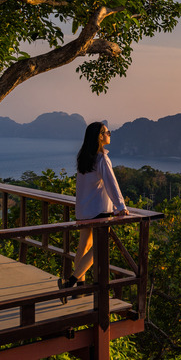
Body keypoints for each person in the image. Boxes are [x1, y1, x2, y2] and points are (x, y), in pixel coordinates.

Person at [58, 122, 129, 303]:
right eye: (107, 132)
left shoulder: (84, 158)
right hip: (98, 210)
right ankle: (71, 282)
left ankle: (79, 289)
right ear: (100, 135)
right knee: (98, 248)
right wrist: (120, 207)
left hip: (83, 209)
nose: (110, 134)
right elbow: (111, 183)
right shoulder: (101, 159)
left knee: (84, 247)